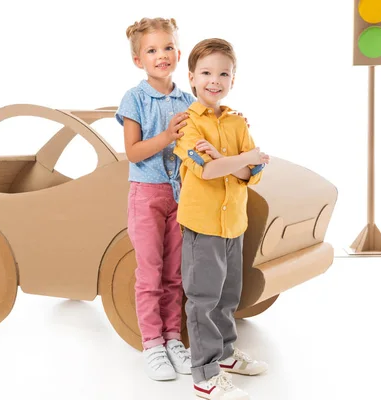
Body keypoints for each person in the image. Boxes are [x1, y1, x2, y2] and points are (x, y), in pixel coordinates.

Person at [173, 38, 270, 400]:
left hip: (234, 224)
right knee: (203, 298)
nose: (215, 80)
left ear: (233, 78)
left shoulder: (235, 121)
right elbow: (206, 171)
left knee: (228, 294)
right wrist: (236, 160)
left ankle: (226, 356)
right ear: (192, 78)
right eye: (207, 73)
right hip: (203, 226)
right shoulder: (187, 125)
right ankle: (205, 375)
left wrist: (232, 160)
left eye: (224, 73)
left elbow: (255, 171)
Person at [115, 17, 193, 381]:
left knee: (174, 274)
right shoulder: (135, 98)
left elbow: (196, 147)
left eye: (167, 48)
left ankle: (173, 338)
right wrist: (166, 136)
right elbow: (132, 152)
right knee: (150, 274)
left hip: (181, 195)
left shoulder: (188, 100)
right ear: (138, 60)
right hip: (146, 194)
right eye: (151, 50)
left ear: (178, 53)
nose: (160, 55)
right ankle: (153, 344)